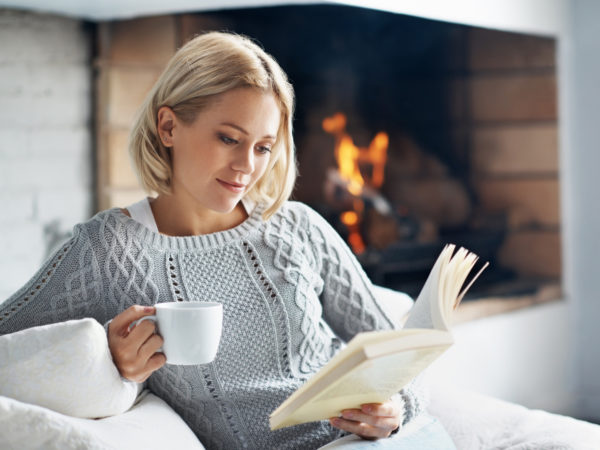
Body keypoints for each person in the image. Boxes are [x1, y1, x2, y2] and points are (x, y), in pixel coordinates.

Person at [0, 31, 456, 449]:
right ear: (168, 127)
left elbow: (401, 355)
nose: (247, 166)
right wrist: (109, 359)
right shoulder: (109, 250)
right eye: (228, 138)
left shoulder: (296, 226)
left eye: (262, 147)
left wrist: (395, 410)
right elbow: (10, 341)